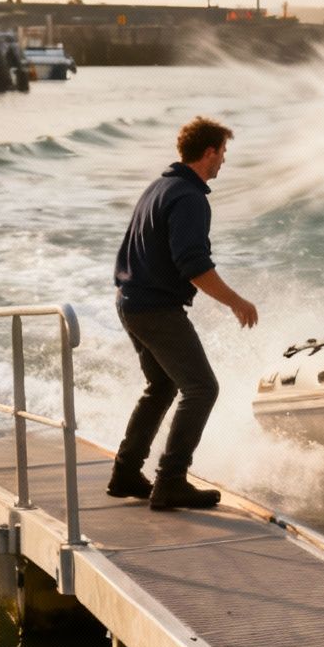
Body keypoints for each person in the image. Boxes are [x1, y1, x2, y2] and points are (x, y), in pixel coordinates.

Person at [108, 116, 259, 510]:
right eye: (223, 152)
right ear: (209, 152)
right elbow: (193, 264)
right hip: (155, 309)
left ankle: (125, 473)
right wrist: (236, 302)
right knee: (202, 388)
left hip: (130, 302)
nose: (224, 160)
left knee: (161, 388)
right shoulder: (190, 198)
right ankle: (171, 480)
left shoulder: (159, 187)